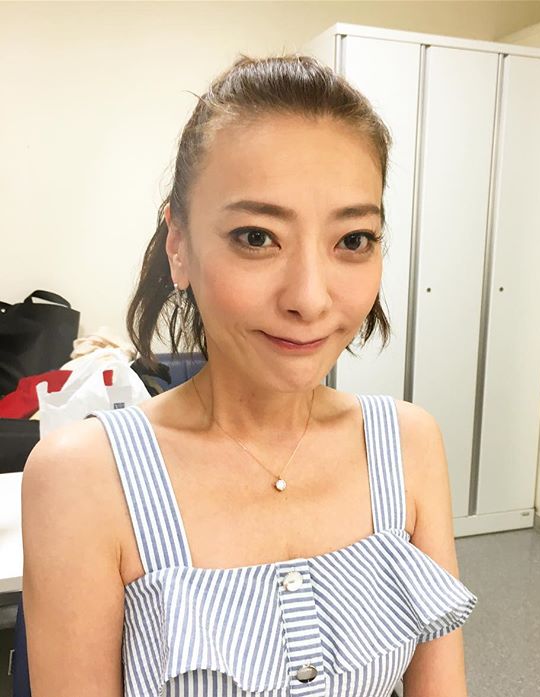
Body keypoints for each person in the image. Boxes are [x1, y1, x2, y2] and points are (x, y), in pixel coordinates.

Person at [21, 53, 477, 697]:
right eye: (257, 237)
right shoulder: (85, 479)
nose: (310, 299)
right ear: (178, 245)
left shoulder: (407, 444)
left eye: (352, 240)